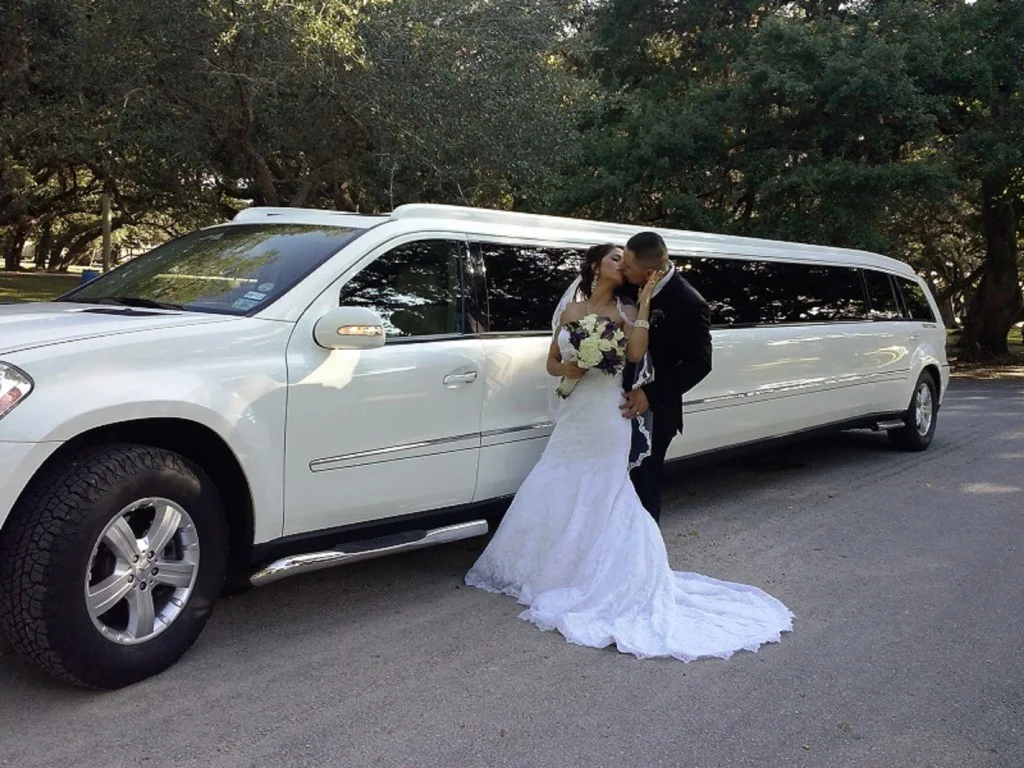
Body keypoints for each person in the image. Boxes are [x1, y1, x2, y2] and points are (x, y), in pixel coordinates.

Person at [465, 243, 793, 663]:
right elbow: (552, 361)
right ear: (595, 266)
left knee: (611, 486)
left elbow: (639, 354)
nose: (624, 265)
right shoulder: (571, 310)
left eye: (628, 260)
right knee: (556, 474)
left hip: (611, 412)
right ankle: (546, 565)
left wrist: (643, 307)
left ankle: (613, 574)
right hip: (575, 411)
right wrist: (567, 367)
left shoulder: (635, 308)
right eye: (616, 259)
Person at [620, 231, 712, 523]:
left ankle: (646, 549)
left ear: (649, 273)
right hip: (614, 402)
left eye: (627, 265)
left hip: (657, 413)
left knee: (643, 484)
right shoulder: (625, 283)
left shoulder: (688, 303)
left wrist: (650, 393)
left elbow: (700, 363)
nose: (621, 268)